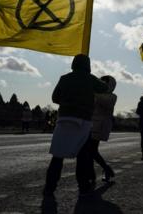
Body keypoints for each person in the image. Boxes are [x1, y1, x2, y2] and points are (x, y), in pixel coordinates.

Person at [43, 54, 107, 198]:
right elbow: (104, 88)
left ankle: (49, 187)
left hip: (64, 118)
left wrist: (67, 102)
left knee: (58, 155)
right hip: (83, 120)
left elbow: (55, 98)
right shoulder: (91, 79)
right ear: (88, 65)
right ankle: (83, 187)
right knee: (83, 155)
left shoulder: (64, 78)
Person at [90, 75, 117, 182]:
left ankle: (105, 169)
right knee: (90, 150)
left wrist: (92, 91)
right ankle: (95, 173)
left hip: (100, 125)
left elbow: (105, 102)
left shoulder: (112, 96)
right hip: (90, 124)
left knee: (91, 150)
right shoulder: (96, 94)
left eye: (104, 83)